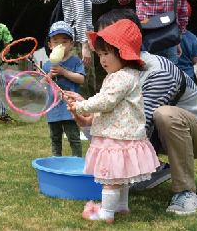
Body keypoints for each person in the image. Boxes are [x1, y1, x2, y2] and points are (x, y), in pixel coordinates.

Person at [66, 9, 197, 215]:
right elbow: (117, 116)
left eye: (107, 41)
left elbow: (139, 125)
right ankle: (156, 171)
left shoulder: (157, 71)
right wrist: (89, 119)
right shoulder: (121, 72)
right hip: (165, 135)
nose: (100, 47)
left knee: (165, 114)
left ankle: (188, 192)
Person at [66, 19, 159, 223]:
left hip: (115, 137)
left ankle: (106, 213)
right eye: (100, 54)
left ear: (124, 54)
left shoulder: (120, 78)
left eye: (107, 53)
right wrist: (83, 103)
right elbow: (110, 105)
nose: (102, 59)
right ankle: (121, 207)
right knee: (121, 177)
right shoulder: (125, 75)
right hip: (123, 136)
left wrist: (80, 106)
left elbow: (105, 101)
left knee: (110, 178)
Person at [118, 0, 188, 63]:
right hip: (169, 37)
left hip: (145, 37)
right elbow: (183, 12)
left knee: (145, 76)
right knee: (169, 76)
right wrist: (178, 39)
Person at [58, 0, 108, 99]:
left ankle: (86, 117)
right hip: (79, 43)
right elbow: (79, 18)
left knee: (88, 81)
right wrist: (85, 46)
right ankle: (82, 118)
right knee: (84, 84)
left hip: (81, 41)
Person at [43, 21, 85, 157]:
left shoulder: (76, 62)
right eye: (55, 41)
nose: (59, 44)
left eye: (64, 41)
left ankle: (78, 161)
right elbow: (41, 84)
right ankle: (56, 161)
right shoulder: (47, 64)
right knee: (55, 138)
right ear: (50, 45)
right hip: (53, 109)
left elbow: (81, 79)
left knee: (74, 138)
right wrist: (50, 74)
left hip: (70, 109)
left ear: (71, 44)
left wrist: (63, 72)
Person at [177, 3, 197, 79]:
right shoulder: (193, 38)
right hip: (188, 76)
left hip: (171, 74)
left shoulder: (167, 36)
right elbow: (195, 60)